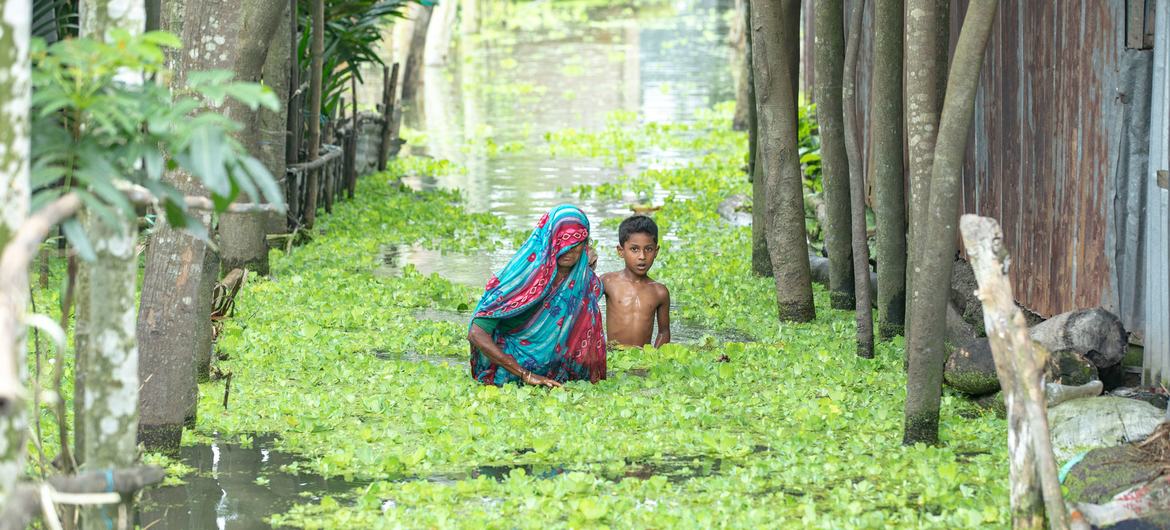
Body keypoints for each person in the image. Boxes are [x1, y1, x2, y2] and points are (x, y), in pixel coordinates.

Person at [467, 205, 606, 387]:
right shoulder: (519, 278)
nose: (567, 250)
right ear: (548, 240)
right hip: (510, 376)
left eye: (575, 244)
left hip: (564, 380)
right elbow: (477, 333)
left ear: (585, 244)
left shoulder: (587, 283)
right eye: (561, 242)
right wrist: (526, 374)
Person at [601, 215, 671, 347]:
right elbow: (583, 309)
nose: (642, 256)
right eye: (634, 249)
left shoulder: (660, 292)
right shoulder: (608, 282)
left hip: (643, 360)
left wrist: (653, 359)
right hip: (613, 359)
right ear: (621, 251)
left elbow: (664, 332)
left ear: (656, 251)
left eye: (648, 249)